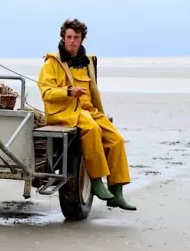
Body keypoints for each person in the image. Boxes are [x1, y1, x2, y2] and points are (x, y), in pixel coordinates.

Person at [37, 18, 136, 211]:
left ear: (82, 39)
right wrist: (67, 91)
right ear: (63, 38)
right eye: (69, 37)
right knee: (91, 130)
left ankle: (117, 192)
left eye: (76, 37)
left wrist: (102, 114)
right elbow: (46, 93)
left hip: (89, 110)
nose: (72, 41)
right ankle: (97, 181)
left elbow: (94, 91)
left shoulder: (87, 61)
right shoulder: (52, 63)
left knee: (116, 139)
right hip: (65, 112)